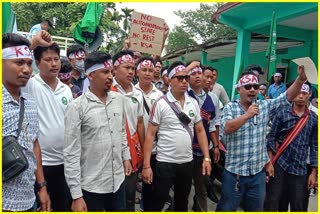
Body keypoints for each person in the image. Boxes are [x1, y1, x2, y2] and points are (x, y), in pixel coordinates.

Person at [216, 65, 307, 211]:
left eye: (255, 86)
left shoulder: (264, 106)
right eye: (248, 86)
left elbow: (287, 97)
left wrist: (300, 80)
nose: (252, 89)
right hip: (235, 174)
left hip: (257, 175)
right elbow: (227, 128)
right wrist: (247, 115)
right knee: (227, 208)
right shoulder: (230, 108)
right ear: (239, 90)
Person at [64, 51, 132, 211]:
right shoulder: (76, 107)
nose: (110, 77)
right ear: (91, 75)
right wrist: (76, 195)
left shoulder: (119, 100)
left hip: (118, 182)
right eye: (105, 72)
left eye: (111, 72)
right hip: (91, 187)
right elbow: (71, 153)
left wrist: (126, 156)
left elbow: (121, 131)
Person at [142, 61, 212, 211]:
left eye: (186, 78)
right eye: (179, 78)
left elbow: (200, 131)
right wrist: (147, 165)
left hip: (187, 162)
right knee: (158, 201)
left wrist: (207, 157)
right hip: (165, 162)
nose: (184, 81)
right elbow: (150, 135)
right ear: (170, 80)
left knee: (182, 202)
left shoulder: (193, 103)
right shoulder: (160, 104)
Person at [2, 33, 51, 211]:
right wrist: (33, 42)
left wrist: (42, 186)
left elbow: (34, 145)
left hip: (28, 200)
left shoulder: (30, 103)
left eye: (29, 63)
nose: (26, 70)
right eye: (18, 63)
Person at [22, 43, 73, 211]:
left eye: (57, 59)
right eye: (48, 60)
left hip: (64, 162)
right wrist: (34, 43)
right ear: (36, 63)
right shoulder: (29, 85)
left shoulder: (65, 90)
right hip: (39, 165)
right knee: (42, 207)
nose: (54, 64)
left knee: (62, 205)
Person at [264, 83, 317, 211]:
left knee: (298, 204)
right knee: (273, 201)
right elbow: (271, 137)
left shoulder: (313, 119)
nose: (300, 96)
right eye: (298, 93)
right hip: (279, 166)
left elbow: (314, 145)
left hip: (300, 168)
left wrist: (314, 172)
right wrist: (270, 162)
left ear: (309, 95)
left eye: (304, 94)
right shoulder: (282, 113)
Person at [111, 49, 145, 211]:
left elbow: (139, 124)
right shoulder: (106, 90)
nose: (131, 71)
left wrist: (144, 154)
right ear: (114, 69)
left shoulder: (138, 94)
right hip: (109, 152)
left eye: (133, 68)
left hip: (131, 152)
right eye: (127, 67)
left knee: (129, 197)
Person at [186, 62, 220, 211]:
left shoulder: (212, 99)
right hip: (185, 151)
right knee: (183, 187)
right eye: (193, 73)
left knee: (201, 187)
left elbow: (213, 125)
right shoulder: (183, 94)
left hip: (202, 151)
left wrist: (216, 146)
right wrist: (189, 67)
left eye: (199, 73)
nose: (197, 76)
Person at [134, 56, 163, 211]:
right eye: (144, 70)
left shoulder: (160, 96)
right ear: (137, 71)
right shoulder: (130, 93)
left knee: (151, 186)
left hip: (154, 149)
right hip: (134, 148)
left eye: (150, 70)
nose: (147, 73)